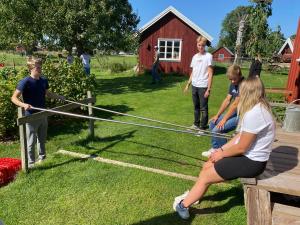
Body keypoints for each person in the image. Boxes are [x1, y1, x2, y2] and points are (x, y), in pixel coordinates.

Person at [174, 77, 275, 220]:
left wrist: (221, 154)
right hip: (248, 156)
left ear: (248, 93)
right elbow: (239, 137)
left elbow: (241, 147)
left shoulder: (255, 114)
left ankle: (182, 206)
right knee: (207, 165)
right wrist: (220, 150)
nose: (238, 95)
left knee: (205, 177)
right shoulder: (256, 108)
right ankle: (195, 195)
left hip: (252, 162)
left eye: (241, 92)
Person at [11, 57, 65, 168]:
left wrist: (59, 96)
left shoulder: (43, 80)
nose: (40, 69)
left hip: (43, 114)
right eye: (37, 67)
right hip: (31, 116)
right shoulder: (25, 82)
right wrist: (24, 105)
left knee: (42, 139)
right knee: (31, 142)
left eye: (40, 67)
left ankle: (42, 158)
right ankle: (31, 164)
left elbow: (47, 93)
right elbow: (14, 98)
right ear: (31, 68)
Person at [202, 64, 244, 157]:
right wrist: (217, 115)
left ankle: (221, 153)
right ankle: (216, 148)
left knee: (217, 130)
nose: (232, 81)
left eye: (234, 79)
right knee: (213, 123)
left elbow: (235, 104)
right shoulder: (233, 84)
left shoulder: (244, 85)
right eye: (230, 79)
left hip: (243, 116)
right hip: (236, 112)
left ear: (239, 75)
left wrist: (224, 120)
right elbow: (227, 100)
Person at [184, 36, 213, 130]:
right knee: (196, 106)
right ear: (197, 45)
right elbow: (193, 72)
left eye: (203, 45)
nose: (201, 47)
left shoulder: (208, 56)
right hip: (194, 85)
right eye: (199, 45)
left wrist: (208, 89)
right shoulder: (195, 57)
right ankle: (196, 124)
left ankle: (203, 127)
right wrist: (188, 84)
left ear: (205, 46)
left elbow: (210, 73)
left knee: (203, 108)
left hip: (203, 86)